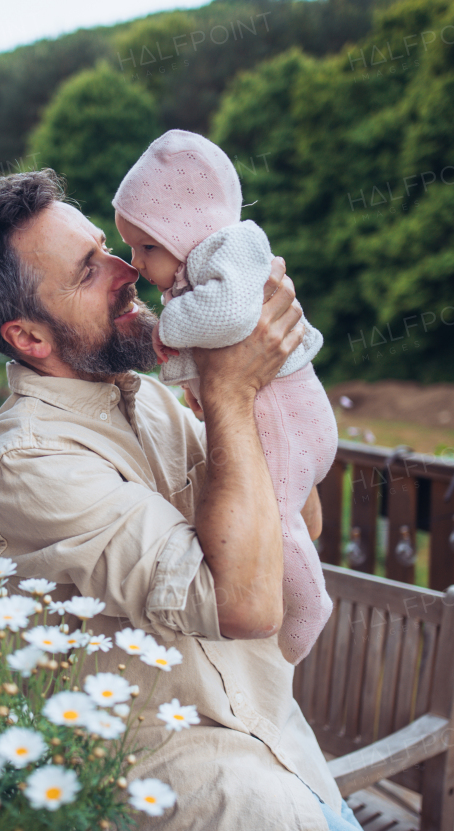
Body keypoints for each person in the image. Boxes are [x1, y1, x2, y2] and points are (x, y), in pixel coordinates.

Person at [0, 168, 362, 830]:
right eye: (86, 271)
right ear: (29, 337)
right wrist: (229, 393)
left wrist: (274, 379)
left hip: (288, 753)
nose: (126, 269)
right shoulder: (25, 462)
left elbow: (299, 521)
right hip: (198, 793)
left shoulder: (156, 400)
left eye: (106, 245)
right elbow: (248, 605)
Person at [113, 128, 338, 666]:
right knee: (285, 515)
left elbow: (230, 317)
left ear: (187, 228)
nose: (136, 264)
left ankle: (311, 608)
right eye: (129, 247)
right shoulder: (201, 270)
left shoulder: (233, 246)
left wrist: (166, 327)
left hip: (284, 415)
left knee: (282, 520)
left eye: (147, 246)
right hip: (277, 414)